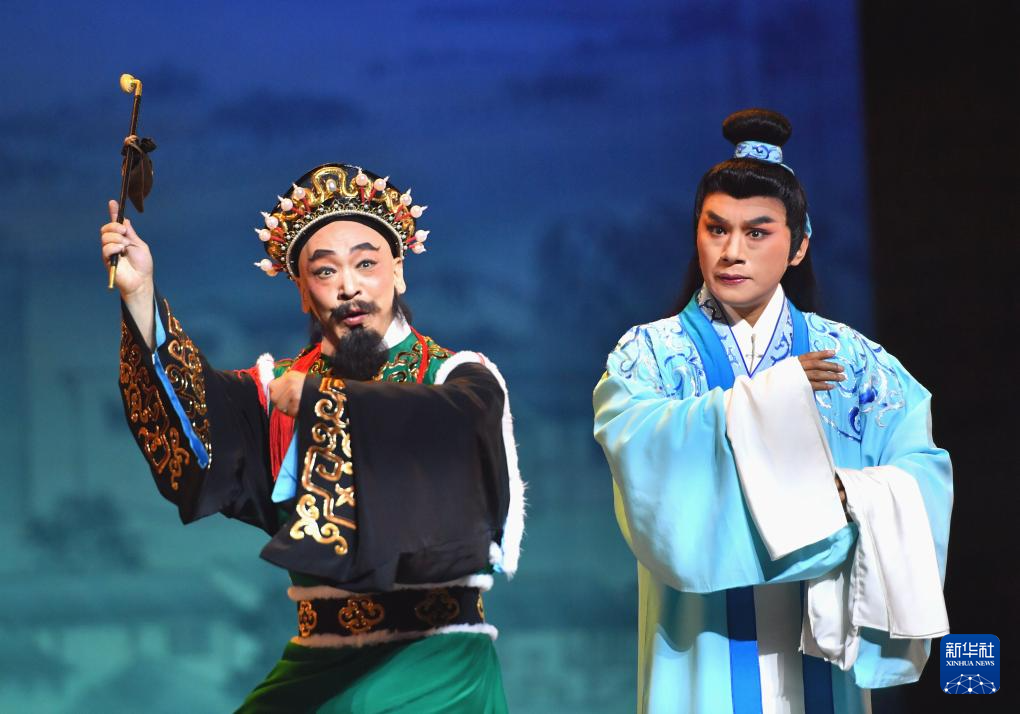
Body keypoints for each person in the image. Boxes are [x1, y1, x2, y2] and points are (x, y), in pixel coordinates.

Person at [101, 162, 525, 713]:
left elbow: (458, 426)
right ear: (302, 291)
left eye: (366, 263)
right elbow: (197, 425)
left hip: (436, 659)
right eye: (325, 272)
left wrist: (325, 400)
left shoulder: (454, 376)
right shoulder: (276, 388)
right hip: (318, 659)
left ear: (398, 272)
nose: (349, 287)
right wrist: (141, 296)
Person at [592, 109, 951, 714]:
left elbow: (923, 469)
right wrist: (770, 400)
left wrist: (853, 495)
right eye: (716, 229)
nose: (732, 252)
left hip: (820, 644)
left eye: (757, 233)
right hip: (702, 639)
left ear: (799, 244)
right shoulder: (649, 356)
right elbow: (639, 452)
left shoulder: (854, 362)